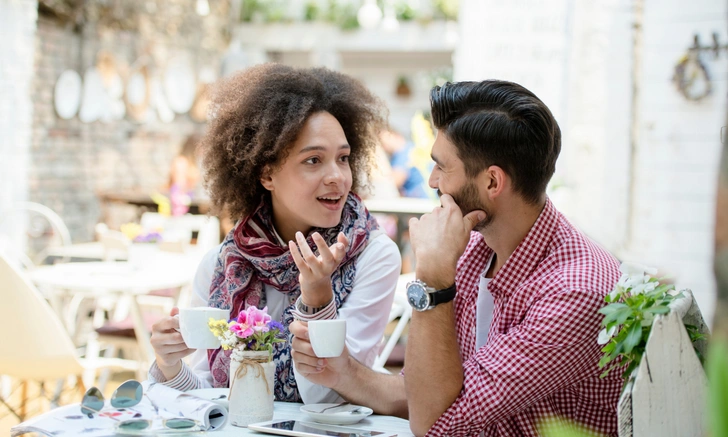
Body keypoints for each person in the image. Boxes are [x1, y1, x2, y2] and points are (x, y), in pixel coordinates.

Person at [290, 80, 623, 436]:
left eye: (441, 167)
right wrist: (341, 371)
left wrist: (432, 279)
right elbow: (425, 394)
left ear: (493, 182)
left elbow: (436, 425)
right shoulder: (477, 249)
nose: (431, 180)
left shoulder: (574, 293)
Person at [148, 63, 401, 404]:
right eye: (314, 160)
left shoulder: (374, 255)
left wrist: (317, 301)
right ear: (267, 175)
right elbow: (212, 397)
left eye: (343, 158)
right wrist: (169, 364)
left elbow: (327, 397)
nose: (337, 177)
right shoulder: (223, 265)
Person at [167, 134, 202, 216]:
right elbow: (178, 185)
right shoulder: (181, 161)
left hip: (191, 199)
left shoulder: (193, 162)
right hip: (180, 202)